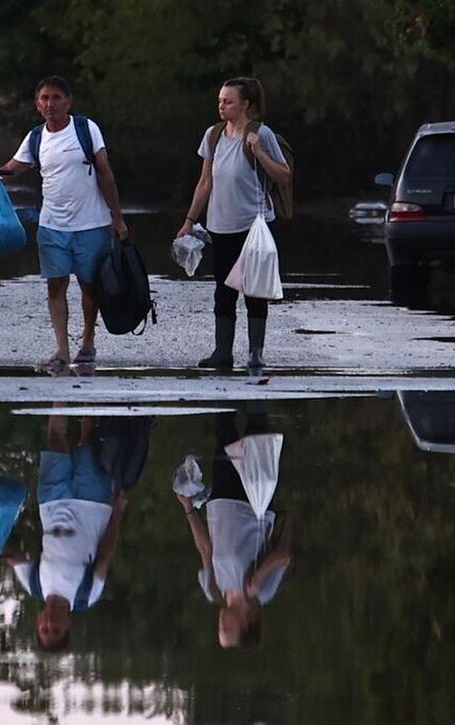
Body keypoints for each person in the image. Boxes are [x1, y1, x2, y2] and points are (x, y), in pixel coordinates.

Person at [2, 76, 129, 375]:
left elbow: (105, 173)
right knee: (55, 285)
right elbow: (13, 168)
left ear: (68, 101)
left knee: (89, 286)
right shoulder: (36, 138)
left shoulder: (86, 129)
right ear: (37, 104)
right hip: (52, 225)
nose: (50, 104)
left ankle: (88, 340)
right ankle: (62, 349)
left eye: (57, 97)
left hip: (92, 223)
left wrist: (117, 217)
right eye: (44, 98)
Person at [175, 77, 291, 371]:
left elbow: (284, 176)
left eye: (228, 101)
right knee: (223, 289)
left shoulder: (261, 134)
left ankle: (255, 353)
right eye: (220, 101)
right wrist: (190, 220)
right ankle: (222, 351)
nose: (221, 106)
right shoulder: (213, 135)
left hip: (254, 225)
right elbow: (205, 182)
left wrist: (259, 153)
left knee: (254, 289)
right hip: (220, 224)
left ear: (246, 105)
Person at [7, 410, 129, 651]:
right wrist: (118, 512)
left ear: (37, 622)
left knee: (54, 440)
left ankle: (61, 380)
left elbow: (15, 558)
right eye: (56, 630)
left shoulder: (35, 586)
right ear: (68, 625)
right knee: (88, 440)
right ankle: (86, 380)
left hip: (52, 503)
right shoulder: (86, 595)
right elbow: (105, 555)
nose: (50, 624)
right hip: (92, 503)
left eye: (45, 629)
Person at [176, 408, 292, 648]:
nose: (221, 624)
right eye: (228, 628)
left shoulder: (214, 592)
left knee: (223, 432)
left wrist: (188, 508)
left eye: (220, 629)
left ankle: (220, 372)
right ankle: (258, 378)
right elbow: (283, 556)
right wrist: (258, 577)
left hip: (222, 503)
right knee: (256, 431)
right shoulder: (263, 593)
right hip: (254, 502)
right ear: (248, 623)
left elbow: (205, 549)